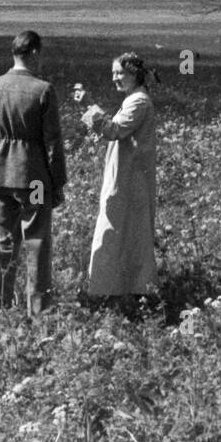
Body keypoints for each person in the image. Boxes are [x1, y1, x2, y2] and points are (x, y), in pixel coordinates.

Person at [0, 29, 67, 316]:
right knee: (36, 241)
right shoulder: (43, 90)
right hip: (34, 179)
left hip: (0, 176)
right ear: (35, 53)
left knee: (3, 243)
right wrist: (57, 182)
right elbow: (52, 143)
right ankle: (37, 310)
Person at [82, 52, 158, 299]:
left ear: (133, 74)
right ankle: (125, 289)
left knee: (120, 230)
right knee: (124, 231)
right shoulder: (132, 99)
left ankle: (120, 290)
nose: (114, 78)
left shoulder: (138, 102)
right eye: (113, 73)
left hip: (130, 179)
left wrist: (88, 106)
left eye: (119, 73)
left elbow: (113, 131)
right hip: (127, 176)